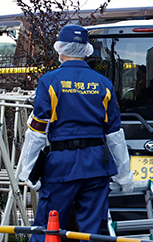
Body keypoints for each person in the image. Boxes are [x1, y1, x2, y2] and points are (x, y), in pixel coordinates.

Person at [18, 25, 134, 242]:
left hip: (61, 165)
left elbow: (37, 130)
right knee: (91, 232)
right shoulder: (103, 84)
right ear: (87, 50)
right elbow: (114, 134)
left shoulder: (50, 81)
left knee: (48, 229)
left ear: (60, 48)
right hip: (97, 165)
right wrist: (124, 175)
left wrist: (27, 169)